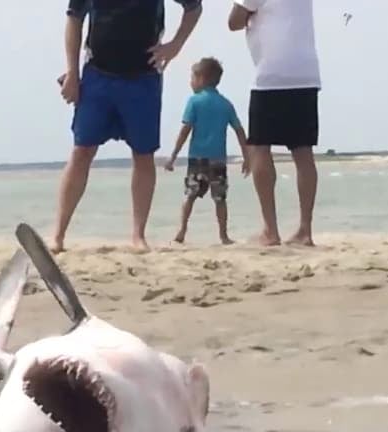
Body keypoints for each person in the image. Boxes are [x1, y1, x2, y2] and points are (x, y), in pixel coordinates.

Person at [52, 0, 203, 253]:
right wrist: (72, 73)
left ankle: (138, 236)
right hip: (98, 74)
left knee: (143, 155)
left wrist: (175, 45)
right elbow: (74, 18)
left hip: (143, 78)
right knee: (81, 151)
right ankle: (57, 235)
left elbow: (194, 7)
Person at [229, 0, 320, 246]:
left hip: (271, 73)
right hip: (305, 72)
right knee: (303, 152)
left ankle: (271, 229)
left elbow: (233, 21)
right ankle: (305, 230)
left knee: (260, 147)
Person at [164, 57, 250, 245]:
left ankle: (181, 231)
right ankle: (224, 235)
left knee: (190, 195)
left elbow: (185, 130)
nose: (190, 82)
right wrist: (247, 157)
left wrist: (173, 157)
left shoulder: (194, 101)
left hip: (197, 159)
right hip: (218, 160)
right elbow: (239, 130)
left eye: (192, 78)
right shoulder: (225, 104)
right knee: (220, 198)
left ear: (201, 78)